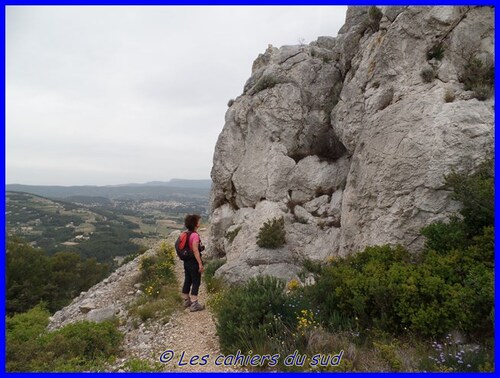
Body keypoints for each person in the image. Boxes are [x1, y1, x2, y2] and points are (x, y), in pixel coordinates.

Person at [181, 214, 205, 312]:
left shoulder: (187, 233)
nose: (200, 222)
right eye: (198, 221)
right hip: (193, 261)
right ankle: (194, 304)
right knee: (196, 281)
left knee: (187, 279)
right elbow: (195, 250)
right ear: (195, 224)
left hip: (186, 261)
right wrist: (200, 263)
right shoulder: (195, 235)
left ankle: (186, 300)